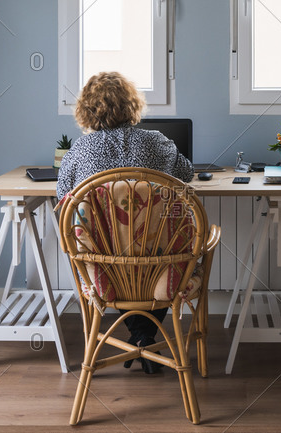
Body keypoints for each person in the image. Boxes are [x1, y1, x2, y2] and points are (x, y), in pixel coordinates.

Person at [57, 71, 194, 374]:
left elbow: (63, 200)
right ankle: (145, 336)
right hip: (158, 266)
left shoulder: (79, 150)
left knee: (120, 260)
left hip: (104, 268)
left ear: (86, 110)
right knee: (153, 256)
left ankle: (140, 337)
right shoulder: (158, 142)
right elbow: (186, 174)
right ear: (132, 105)